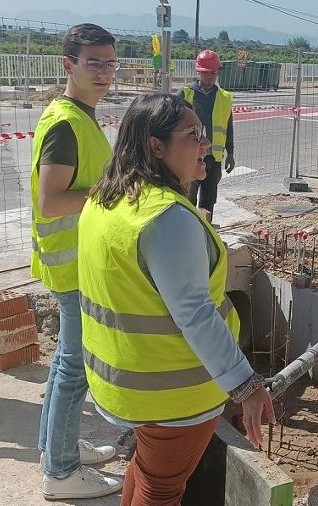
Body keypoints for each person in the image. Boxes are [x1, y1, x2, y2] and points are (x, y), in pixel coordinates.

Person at [78, 93, 275, 506]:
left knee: (148, 473)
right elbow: (196, 314)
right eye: (193, 135)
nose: (205, 144)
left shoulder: (106, 198)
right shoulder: (166, 218)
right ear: (156, 146)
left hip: (126, 380)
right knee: (163, 488)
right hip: (173, 389)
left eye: (203, 134)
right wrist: (246, 384)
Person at [31, 23, 122, 500]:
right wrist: (113, 192)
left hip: (72, 262)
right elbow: (52, 201)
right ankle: (62, 473)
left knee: (64, 365)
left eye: (110, 63)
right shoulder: (66, 123)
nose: (105, 72)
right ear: (68, 65)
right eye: (94, 63)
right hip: (72, 267)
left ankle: (55, 450)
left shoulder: (79, 117)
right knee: (73, 368)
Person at [180, 49, 235, 223]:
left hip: (213, 158)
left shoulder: (224, 98)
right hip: (191, 157)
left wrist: (230, 152)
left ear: (217, 72)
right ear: (198, 71)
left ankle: (205, 230)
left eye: (213, 72)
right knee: (188, 197)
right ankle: (188, 229)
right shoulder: (186, 93)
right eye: (205, 73)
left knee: (209, 200)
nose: (209, 76)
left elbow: (228, 126)